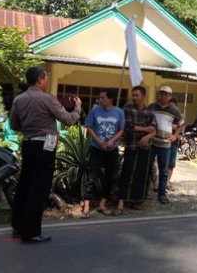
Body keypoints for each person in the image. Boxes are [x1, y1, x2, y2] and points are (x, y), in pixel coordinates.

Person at [9, 67, 82, 244]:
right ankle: (32, 233)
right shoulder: (47, 98)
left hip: (27, 144)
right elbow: (68, 119)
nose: (47, 81)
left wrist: (30, 126)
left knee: (24, 186)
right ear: (40, 79)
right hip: (45, 146)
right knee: (39, 188)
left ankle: (18, 227)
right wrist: (78, 109)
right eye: (46, 78)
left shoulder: (19, 99)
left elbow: (14, 125)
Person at [82, 88, 125, 218]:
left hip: (112, 150)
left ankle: (102, 203)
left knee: (110, 177)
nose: (100, 100)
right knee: (92, 177)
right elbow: (89, 127)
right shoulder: (95, 111)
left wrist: (112, 141)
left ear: (110, 99)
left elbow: (121, 130)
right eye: (99, 97)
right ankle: (87, 205)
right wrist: (98, 140)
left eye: (102, 97)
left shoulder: (119, 112)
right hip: (97, 149)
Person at [115, 86, 157, 214]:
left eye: (137, 95)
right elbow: (128, 126)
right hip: (131, 146)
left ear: (144, 96)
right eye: (133, 95)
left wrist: (147, 137)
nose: (134, 97)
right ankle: (120, 203)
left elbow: (155, 129)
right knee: (126, 173)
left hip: (146, 148)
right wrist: (146, 130)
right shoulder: (128, 108)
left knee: (141, 175)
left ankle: (137, 201)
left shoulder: (150, 111)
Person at [149, 86, 184, 204]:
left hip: (165, 144)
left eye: (166, 94)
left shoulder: (173, 110)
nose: (163, 96)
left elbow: (182, 123)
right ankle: (144, 192)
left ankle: (162, 194)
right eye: (161, 93)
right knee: (147, 167)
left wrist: (175, 136)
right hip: (151, 142)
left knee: (164, 171)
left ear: (170, 96)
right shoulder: (152, 107)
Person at [167, 98, 185, 192]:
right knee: (160, 164)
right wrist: (174, 127)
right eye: (170, 105)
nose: (171, 107)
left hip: (174, 143)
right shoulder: (166, 115)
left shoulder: (178, 116)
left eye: (173, 106)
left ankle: (168, 182)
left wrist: (173, 127)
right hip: (163, 142)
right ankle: (158, 183)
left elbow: (181, 127)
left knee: (171, 164)